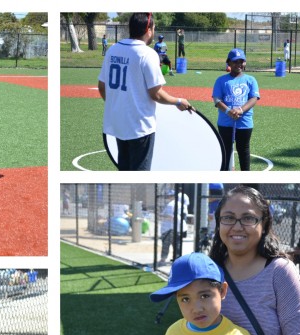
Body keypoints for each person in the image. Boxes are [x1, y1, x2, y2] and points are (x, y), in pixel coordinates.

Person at [208, 185, 300, 335]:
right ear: (219, 223)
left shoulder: (280, 272)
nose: (237, 227)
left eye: (248, 218)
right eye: (228, 218)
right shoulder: (208, 271)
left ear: (264, 226)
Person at [98, 13, 193, 171]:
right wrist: (178, 101)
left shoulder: (113, 50)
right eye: (154, 28)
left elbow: (102, 86)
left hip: (117, 124)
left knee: (125, 170)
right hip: (139, 127)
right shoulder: (147, 54)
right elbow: (155, 93)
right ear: (148, 29)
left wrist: (117, 106)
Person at [149, 252, 254, 335]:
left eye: (204, 296)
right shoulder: (172, 333)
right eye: (185, 299)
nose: (197, 309)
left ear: (222, 291)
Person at [212, 49, 260, 171]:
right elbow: (217, 100)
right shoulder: (221, 80)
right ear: (228, 63)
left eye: (241, 61)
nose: (239, 64)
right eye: (235, 62)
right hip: (225, 122)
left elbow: (253, 98)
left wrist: (240, 110)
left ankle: (245, 181)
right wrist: (228, 111)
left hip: (244, 122)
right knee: (225, 150)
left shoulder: (251, 80)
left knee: (243, 149)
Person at [159, 189, 189, 264]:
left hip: (169, 227)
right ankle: (177, 259)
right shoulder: (181, 204)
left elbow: (169, 216)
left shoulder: (171, 204)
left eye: (169, 196)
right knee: (177, 244)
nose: (168, 198)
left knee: (166, 243)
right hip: (179, 227)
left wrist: (164, 216)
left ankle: (163, 259)